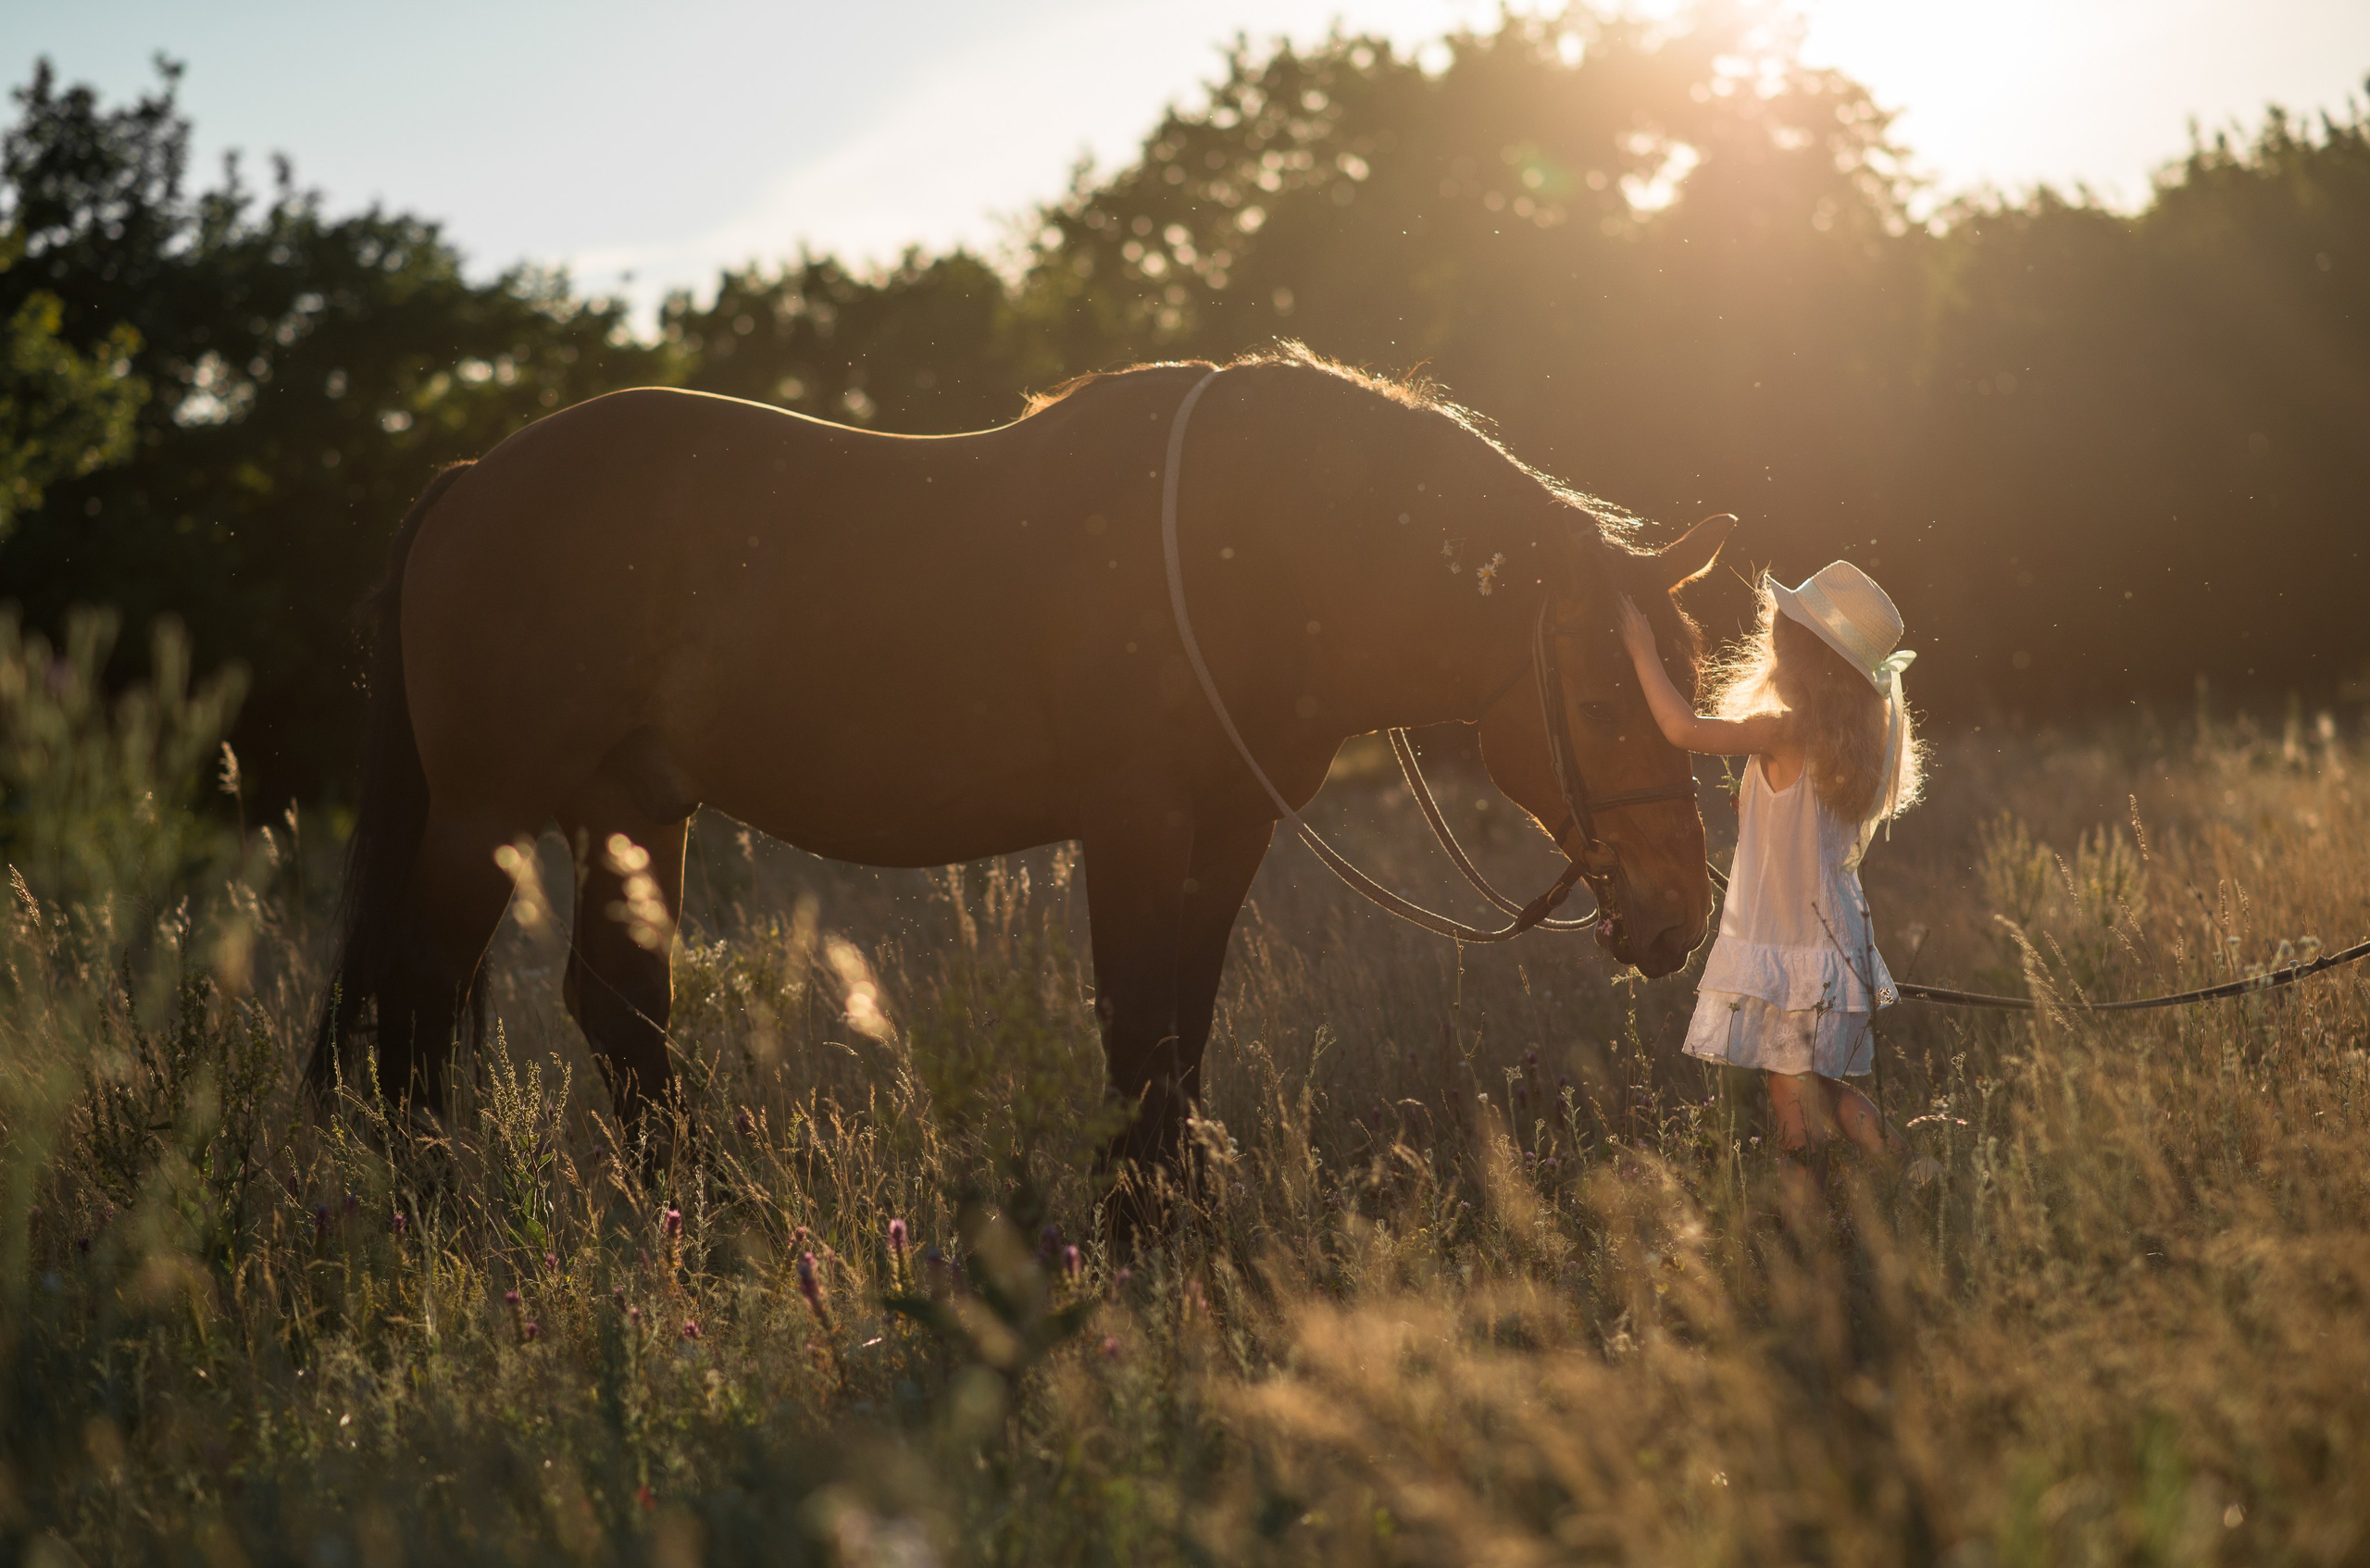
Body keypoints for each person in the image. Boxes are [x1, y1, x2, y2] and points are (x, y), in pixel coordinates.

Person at [1616, 561, 1942, 1192]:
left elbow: (1681, 729)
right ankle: (1907, 1172)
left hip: (1794, 941)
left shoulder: (1783, 732)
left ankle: (1815, 1210)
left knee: (1792, 1099)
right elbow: (1803, 833)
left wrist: (1641, 651)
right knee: (1811, 1085)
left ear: (1798, 657)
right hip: (1832, 939)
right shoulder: (1850, 745)